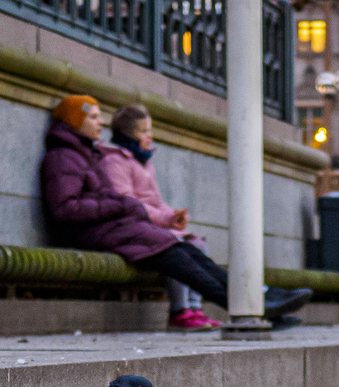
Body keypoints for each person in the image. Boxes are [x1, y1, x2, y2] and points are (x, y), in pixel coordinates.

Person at [40, 96, 312, 325]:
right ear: (75, 121)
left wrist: (129, 207)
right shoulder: (64, 157)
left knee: (185, 250)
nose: (101, 123)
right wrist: (124, 205)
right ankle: (250, 306)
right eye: (94, 117)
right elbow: (65, 209)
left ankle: (257, 300)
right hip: (91, 233)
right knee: (177, 255)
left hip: (111, 228)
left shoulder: (86, 154)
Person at [97, 104, 218, 330]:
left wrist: (173, 215)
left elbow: (156, 201)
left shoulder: (144, 163)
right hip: (135, 229)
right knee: (175, 247)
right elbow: (128, 202)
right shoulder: (114, 161)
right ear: (127, 135)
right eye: (144, 131)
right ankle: (179, 310)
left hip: (153, 225)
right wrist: (166, 220)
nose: (150, 136)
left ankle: (195, 308)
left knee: (197, 242)